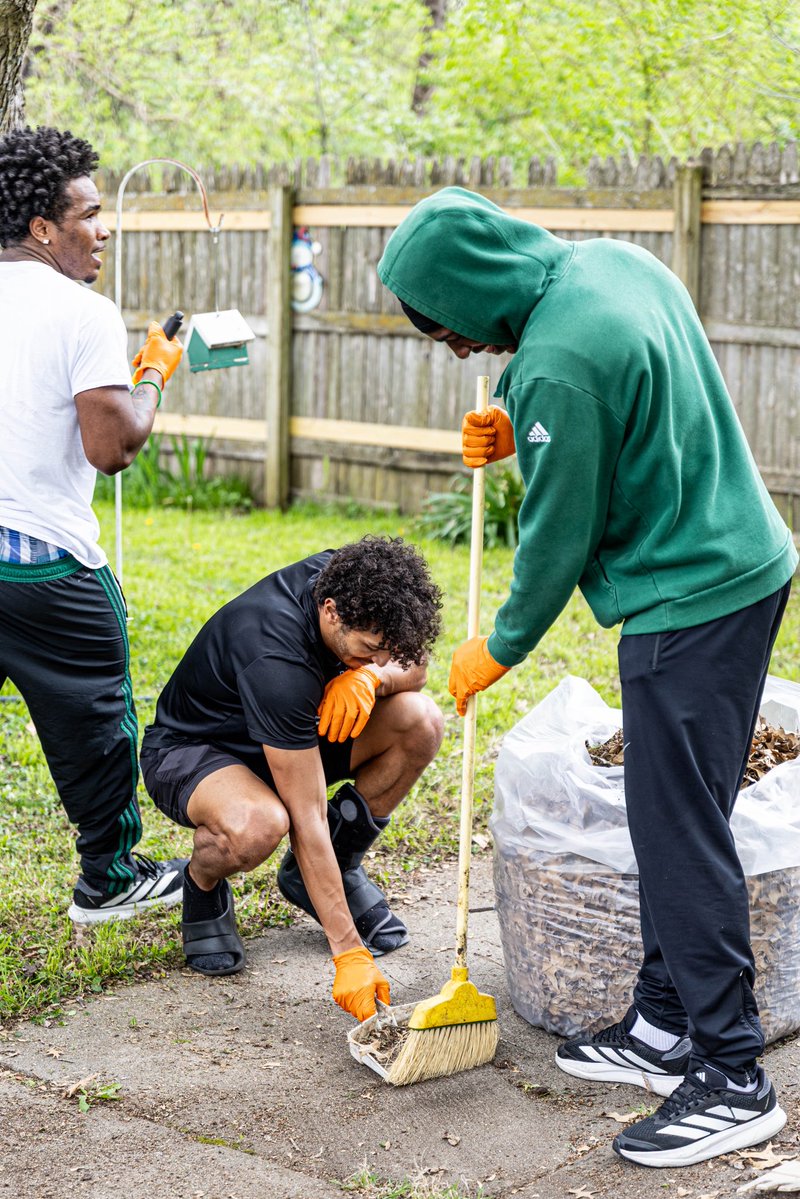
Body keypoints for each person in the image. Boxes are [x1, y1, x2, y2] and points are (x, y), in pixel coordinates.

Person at [378, 186, 797, 1166]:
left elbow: (556, 540)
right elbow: (631, 426)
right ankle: (660, 1024)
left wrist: (500, 643)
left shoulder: (553, 365)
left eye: (448, 332)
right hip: (743, 561)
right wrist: (523, 438)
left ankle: (732, 1075)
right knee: (677, 809)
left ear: (470, 291)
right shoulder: (610, 265)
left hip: (683, 600)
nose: (458, 352)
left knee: (675, 827)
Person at [0, 125, 186, 924]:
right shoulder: (83, 311)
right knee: (100, 720)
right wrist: (152, 375)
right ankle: (108, 878)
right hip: (47, 573)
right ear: (45, 228)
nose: (104, 228)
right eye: (90, 213)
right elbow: (111, 447)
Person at [140, 536, 443, 1022]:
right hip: (198, 750)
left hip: (297, 731)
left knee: (420, 722)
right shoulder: (276, 658)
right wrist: (347, 952)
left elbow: (417, 667)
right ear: (330, 612)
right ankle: (201, 880)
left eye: (388, 650)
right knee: (262, 823)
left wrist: (370, 677)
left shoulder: (355, 583)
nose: (384, 658)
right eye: (371, 650)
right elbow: (307, 816)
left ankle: (325, 874)